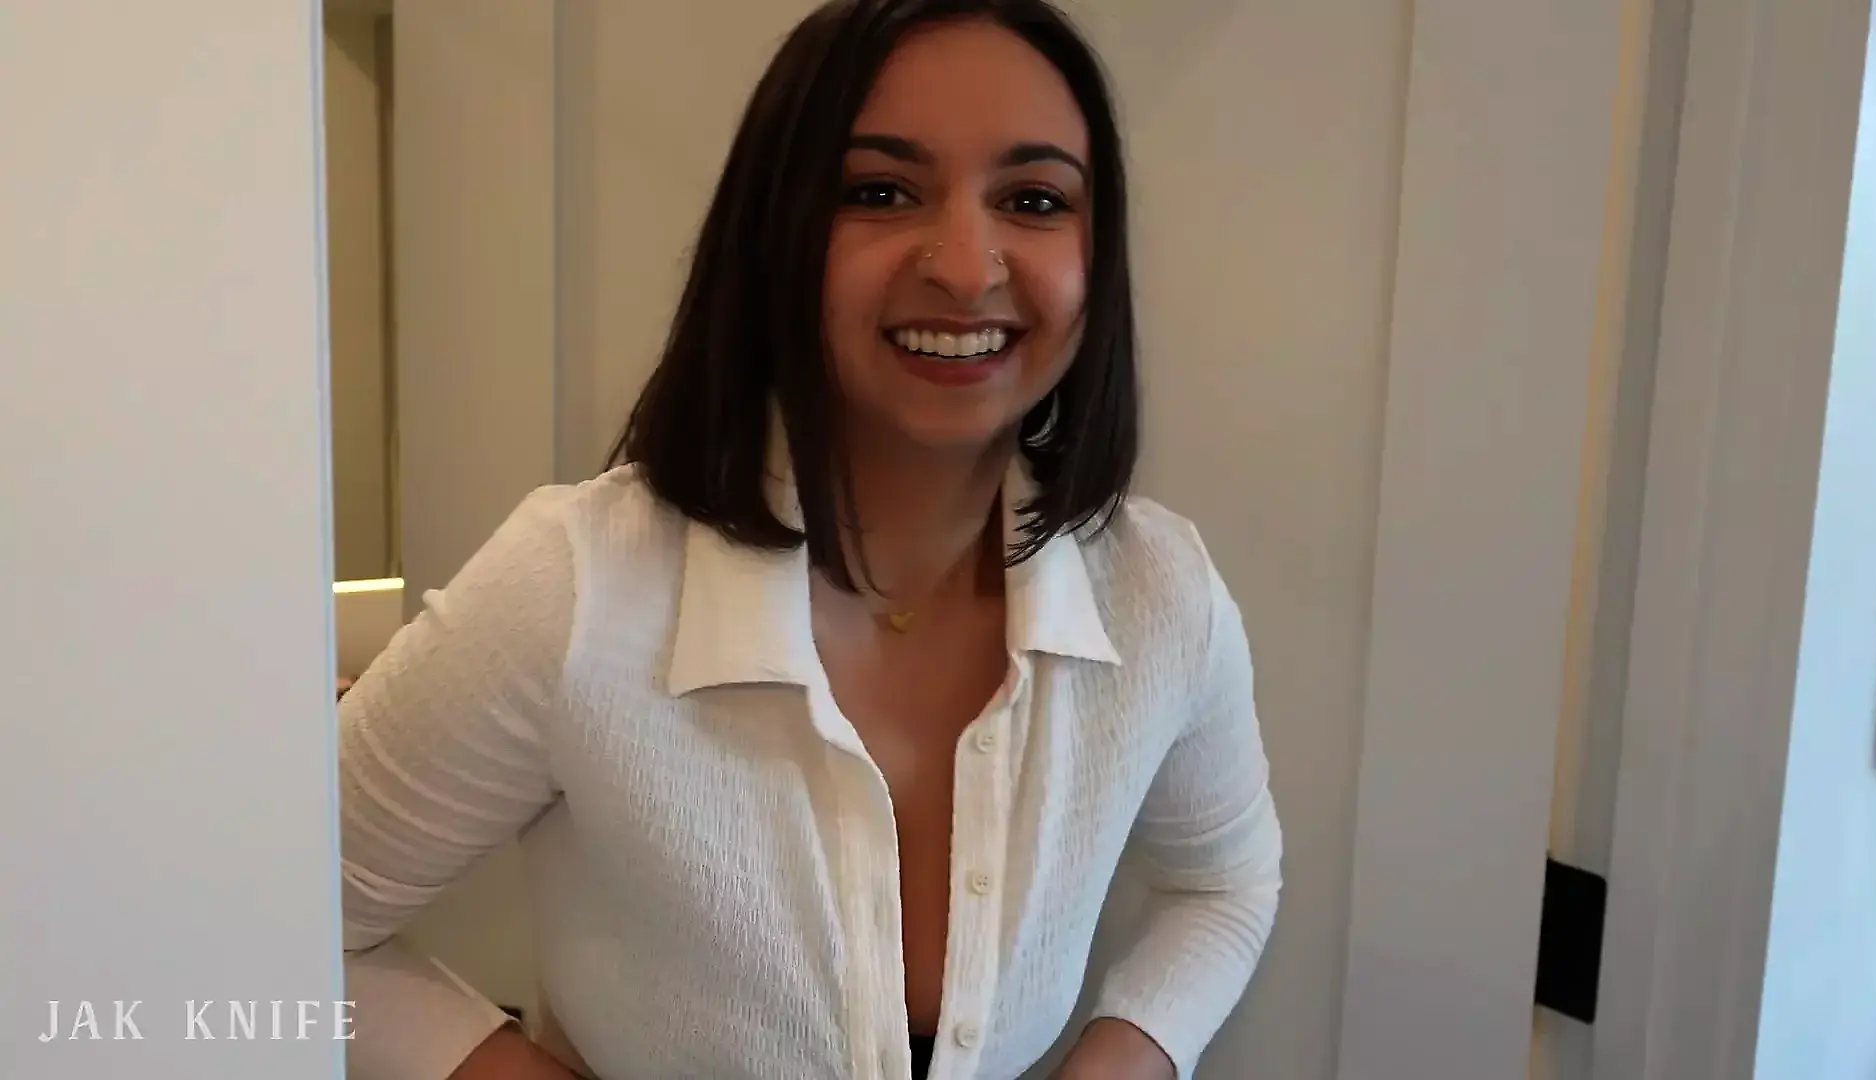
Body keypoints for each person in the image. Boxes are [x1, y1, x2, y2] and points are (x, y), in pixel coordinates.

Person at [337, 0, 1283, 1077]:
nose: (966, 268)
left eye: (1033, 200)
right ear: (776, 233)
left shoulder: (1161, 594)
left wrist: (1117, 1062)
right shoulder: (575, 587)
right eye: (880, 191)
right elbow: (279, 916)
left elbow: (1227, 884)